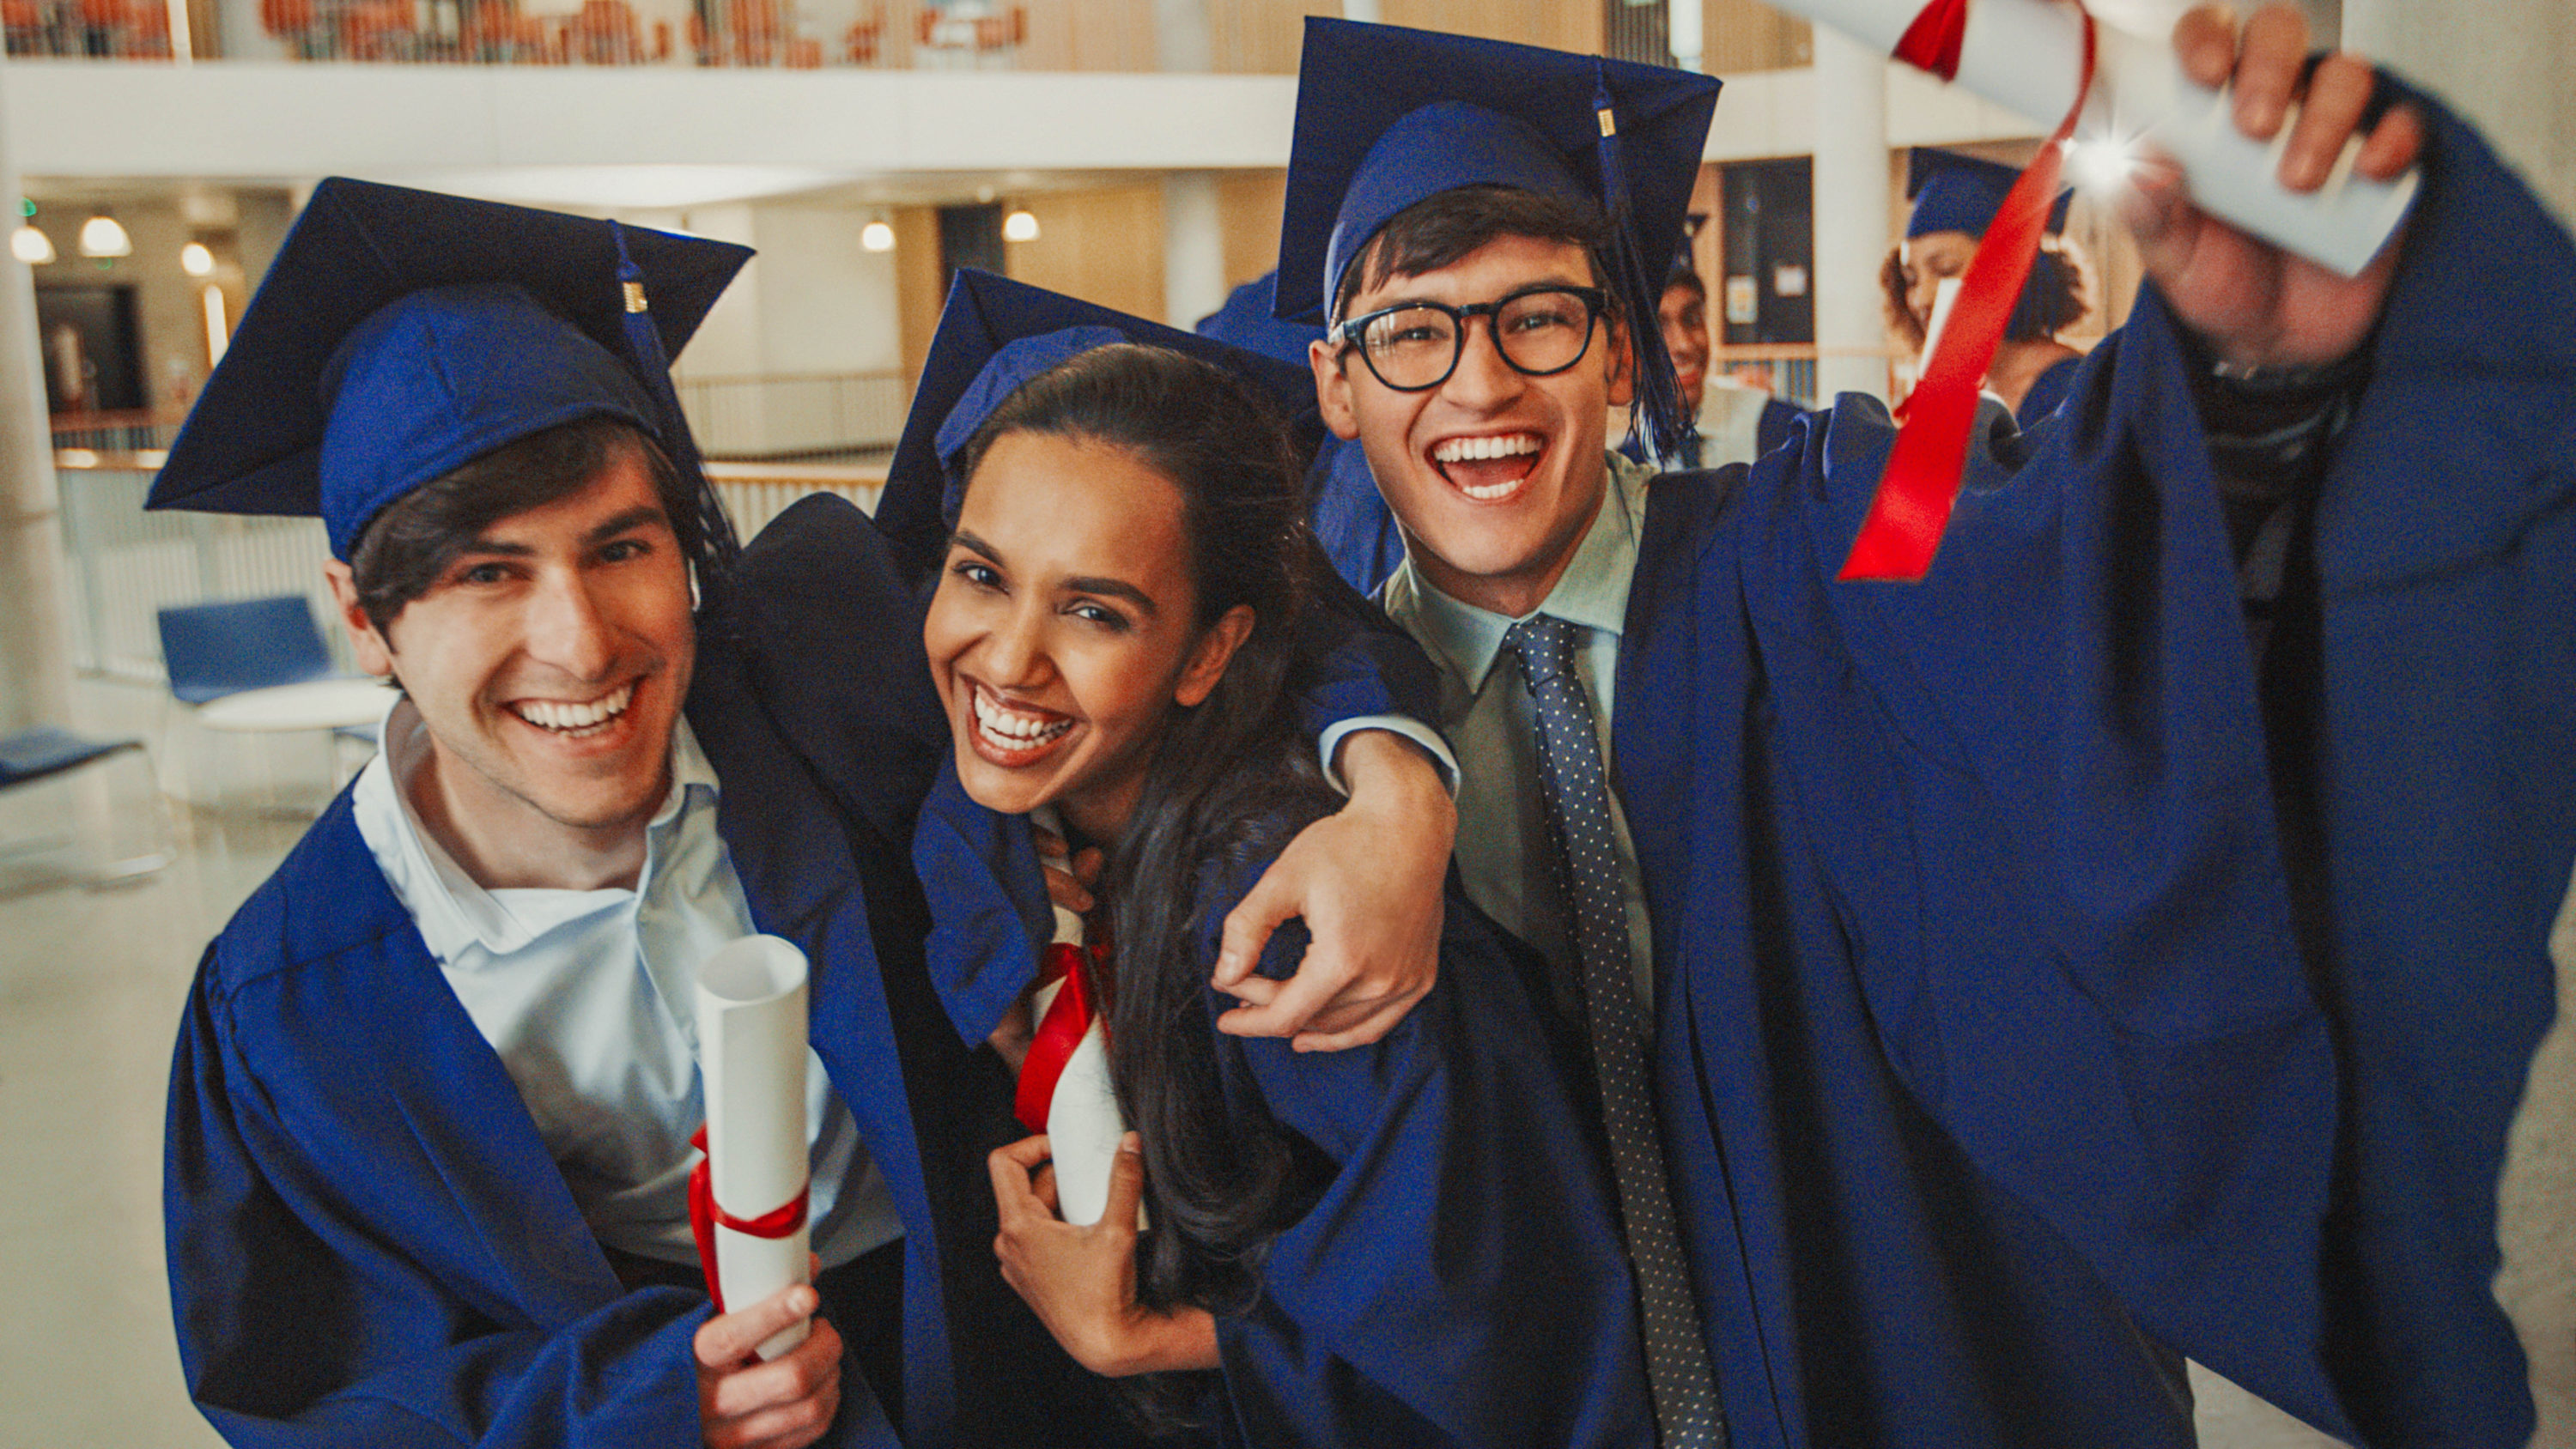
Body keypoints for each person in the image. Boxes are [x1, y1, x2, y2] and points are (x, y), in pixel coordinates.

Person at [1247, 9, 2571, 1446]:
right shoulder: (1311, 740)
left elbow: (2070, 550)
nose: (1483, 379)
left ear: (1618, 354)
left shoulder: (1819, 543)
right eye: (1410, 332)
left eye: (1539, 316)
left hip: (1936, 1358)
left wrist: (2254, 379)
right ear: (1335, 383)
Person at [151, 180, 1460, 1449]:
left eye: (620, 548)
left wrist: (1395, 782)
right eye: (486, 574)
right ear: (362, 616)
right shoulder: (293, 1006)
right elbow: (319, 1393)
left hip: (1002, 1340)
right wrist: (648, 1408)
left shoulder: (819, 660)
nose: (582, 643)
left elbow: (1241, 607)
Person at [858, 276, 1655, 1443]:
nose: (1009, 658)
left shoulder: (1290, 912)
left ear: (1209, 652)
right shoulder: (1029, 834)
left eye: (1095, 613)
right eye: (980, 574)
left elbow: (1500, 1323)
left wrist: (1146, 1335)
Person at [1880, 147, 2093, 427]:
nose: (1921, 298)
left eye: (1946, 269)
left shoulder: (2074, 393)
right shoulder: (1960, 392)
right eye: (1911, 279)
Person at [1623, 256, 1801, 471]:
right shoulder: (1625, 468)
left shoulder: (1779, 430)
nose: (1684, 345)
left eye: (1693, 319)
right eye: (1657, 328)